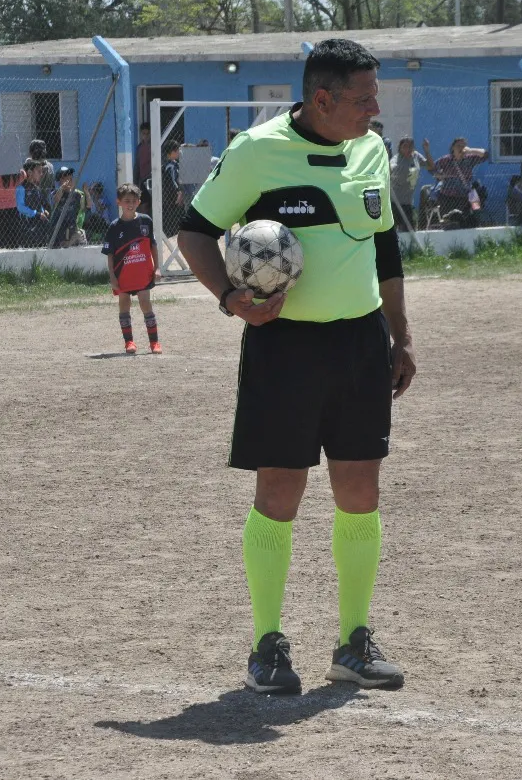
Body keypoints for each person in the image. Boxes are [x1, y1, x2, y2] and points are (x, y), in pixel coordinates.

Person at [176, 37, 416, 695]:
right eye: (363, 98)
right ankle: (266, 645)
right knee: (280, 494)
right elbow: (193, 232)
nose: (374, 109)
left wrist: (401, 335)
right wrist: (231, 300)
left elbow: (386, 251)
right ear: (322, 98)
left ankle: (354, 641)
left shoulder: (369, 151)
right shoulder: (257, 153)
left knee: (360, 492)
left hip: (361, 344)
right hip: (286, 349)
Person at [102, 183, 161, 355]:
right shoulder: (114, 227)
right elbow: (110, 254)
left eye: (134, 200)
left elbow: (153, 246)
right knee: (124, 305)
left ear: (139, 202)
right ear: (118, 202)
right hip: (123, 275)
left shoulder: (146, 221)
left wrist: (156, 268)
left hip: (143, 273)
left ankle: (155, 343)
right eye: (126, 200)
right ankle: (129, 342)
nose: (130, 203)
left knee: (145, 304)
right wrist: (112, 276)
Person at [431, 136, 488, 229]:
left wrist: (470, 150)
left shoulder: (469, 159)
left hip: (464, 196)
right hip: (447, 196)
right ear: (453, 147)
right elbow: (432, 168)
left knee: (466, 221)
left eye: (463, 145)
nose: (461, 148)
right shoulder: (445, 160)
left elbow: (485, 155)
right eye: (458, 145)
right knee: (448, 222)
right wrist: (438, 175)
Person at [389, 136, 430, 231]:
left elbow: (430, 166)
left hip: (407, 202)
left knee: (409, 229)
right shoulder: (397, 159)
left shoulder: (415, 156)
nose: (408, 149)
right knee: (391, 229)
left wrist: (427, 151)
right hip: (394, 201)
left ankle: (408, 246)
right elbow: (391, 166)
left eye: (411, 146)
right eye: (405, 146)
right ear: (400, 148)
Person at [16, 158, 52, 246]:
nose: (41, 174)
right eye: (39, 171)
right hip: (27, 225)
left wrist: (43, 211)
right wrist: (36, 214)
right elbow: (20, 207)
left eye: (42, 171)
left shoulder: (36, 188)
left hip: (39, 223)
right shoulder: (21, 188)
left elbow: (39, 204)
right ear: (30, 172)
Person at [50, 165, 87, 247]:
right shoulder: (56, 192)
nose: (70, 179)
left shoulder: (77, 194)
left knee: (80, 235)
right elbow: (56, 200)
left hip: (72, 226)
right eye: (66, 177)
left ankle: (70, 243)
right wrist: (62, 187)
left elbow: (87, 206)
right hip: (59, 227)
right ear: (60, 180)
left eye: (71, 177)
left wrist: (86, 192)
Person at [159, 138, 184, 239]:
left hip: (167, 198)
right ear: (172, 151)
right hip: (173, 197)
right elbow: (174, 180)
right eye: (178, 150)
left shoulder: (167, 164)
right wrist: (179, 192)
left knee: (170, 218)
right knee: (174, 218)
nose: (179, 152)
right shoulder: (171, 165)